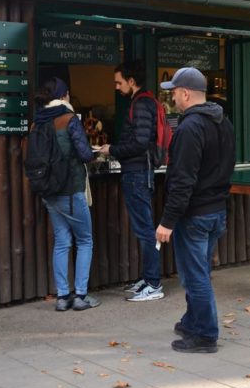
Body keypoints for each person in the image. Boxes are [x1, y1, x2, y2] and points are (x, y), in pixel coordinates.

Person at [155, 67, 235, 353]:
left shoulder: (189, 128)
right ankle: (192, 321)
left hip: (195, 213)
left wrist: (167, 221)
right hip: (217, 210)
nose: (172, 97)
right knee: (198, 273)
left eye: (174, 92)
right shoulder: (223, 122)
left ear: (186, 93)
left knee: (195, 276)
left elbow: (182, 180)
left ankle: (204, 334)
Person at [98, 61, 164, 302]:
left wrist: (112, 148)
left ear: (131, 81)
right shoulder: (142, 102)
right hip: (137, 172)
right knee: (143, 228)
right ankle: (148, 279)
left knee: (145, 230)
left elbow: (139, 142)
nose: (116, 87)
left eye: (119, 82)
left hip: (137, 173)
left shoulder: (142, 104)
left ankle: (154, 284)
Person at [33, 77, 100, 311]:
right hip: (72, 190)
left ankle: (62, 297)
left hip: (49, 191)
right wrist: (95, 153)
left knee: (61, 242)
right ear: (63, 96)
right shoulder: (69, 119)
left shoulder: (37, 122)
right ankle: (80, 295)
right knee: (85, 240)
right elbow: (84, 154)